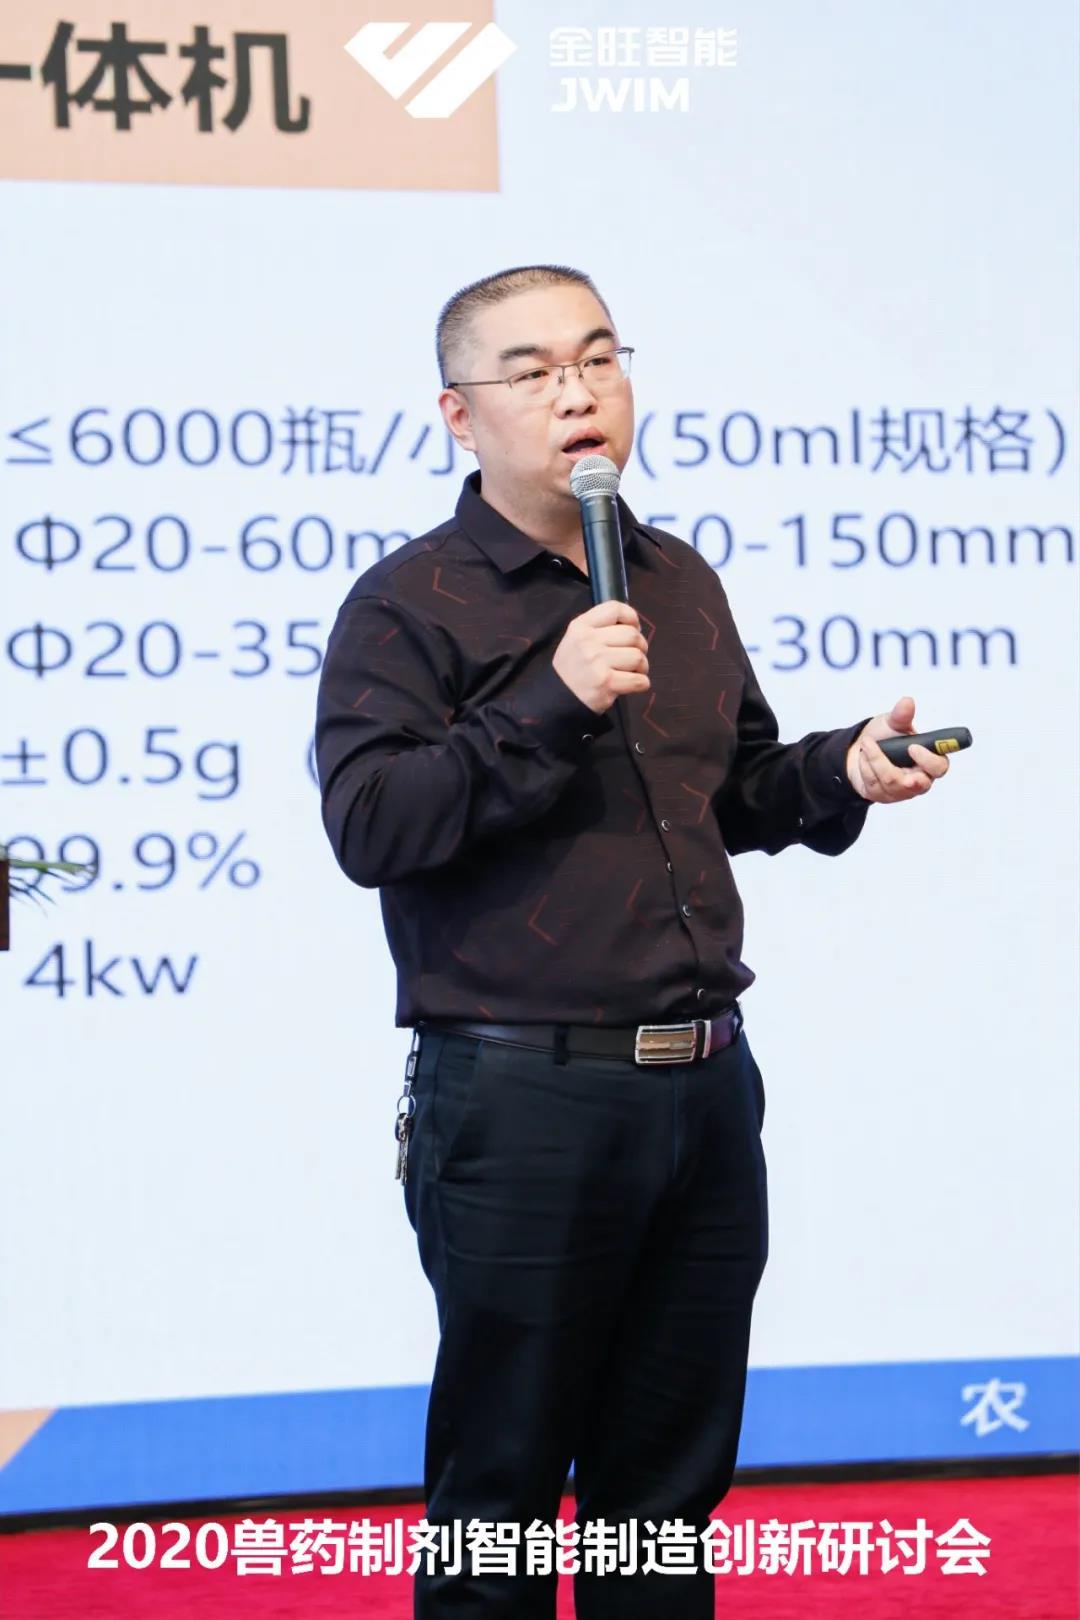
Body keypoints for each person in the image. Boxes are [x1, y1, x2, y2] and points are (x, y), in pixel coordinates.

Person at [314, 264, 951, 1619]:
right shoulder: (409, 602)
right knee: (498, 1498)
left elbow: (734, 791)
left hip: (705, 1093)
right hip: (522, 1101)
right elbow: (373, 824)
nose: (578, 393)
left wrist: (842, 769)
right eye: (534, 371)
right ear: (458, 414)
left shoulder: (676, 578)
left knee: (663, 1502)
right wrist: (549, 699)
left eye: (599, 359)